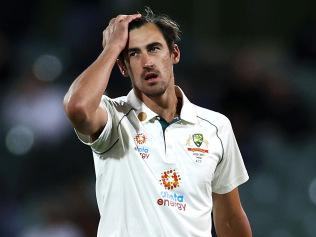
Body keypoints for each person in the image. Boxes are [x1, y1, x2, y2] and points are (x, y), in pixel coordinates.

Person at [63, 7, 252, 237]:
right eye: (133, 54)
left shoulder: (216, 127)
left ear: (174, 54)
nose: (147, 62)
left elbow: (230, 217)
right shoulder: (113, 117)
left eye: (153, 49)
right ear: (122, 67)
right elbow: (77, 107)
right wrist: (112, 48)